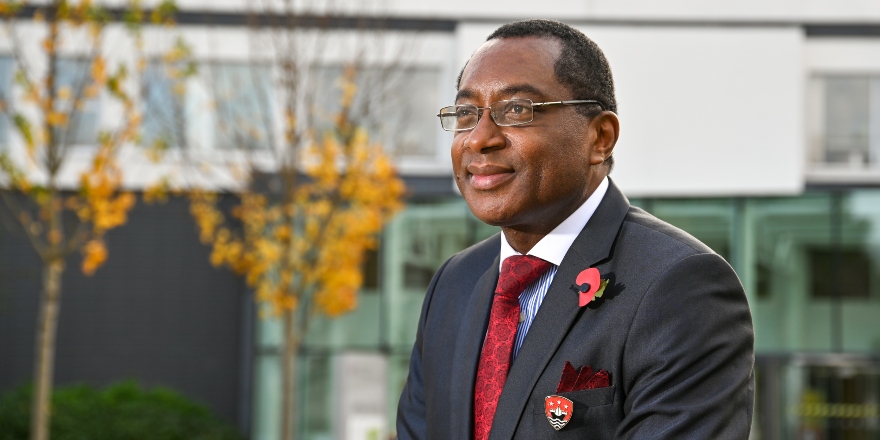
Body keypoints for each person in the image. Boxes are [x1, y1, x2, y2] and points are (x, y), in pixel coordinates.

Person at [396, 19, 754, 440]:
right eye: (467, 113)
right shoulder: (454, 284)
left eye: (517, 110)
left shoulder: (679, 286)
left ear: (600, 137)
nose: (479, 139)